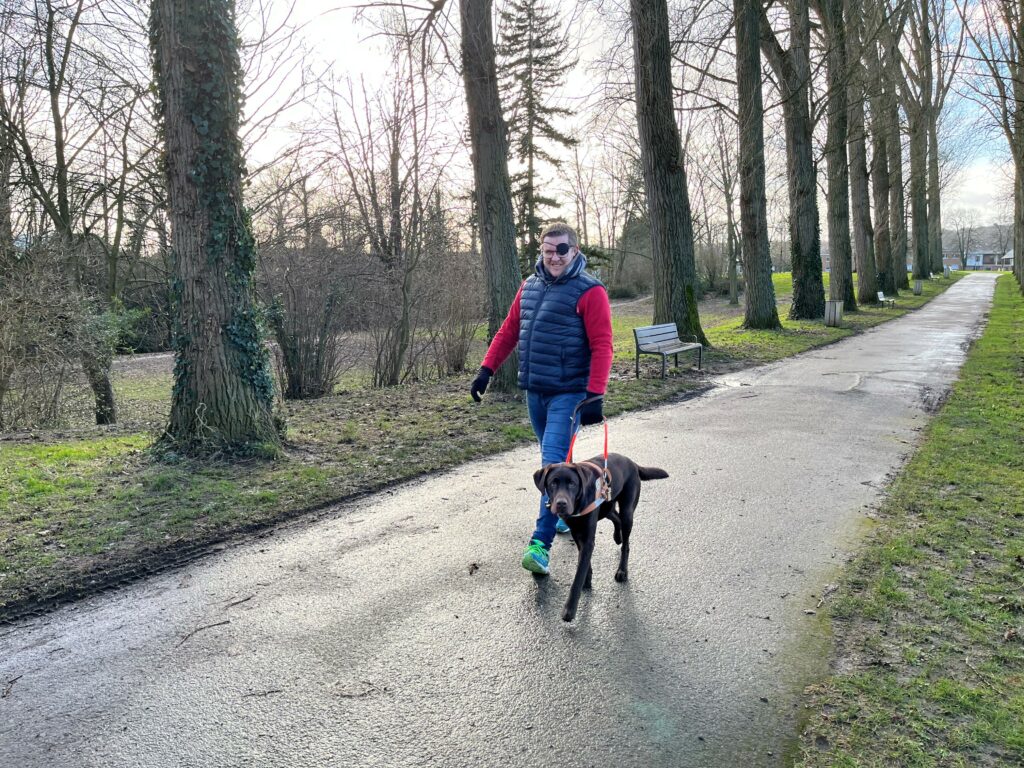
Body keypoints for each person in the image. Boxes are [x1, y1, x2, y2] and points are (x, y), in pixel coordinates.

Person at [470, 222, 613, 576]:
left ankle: (539, 546)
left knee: (551, 462)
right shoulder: (529, 286)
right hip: (536, 392)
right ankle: (565, 510)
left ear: (574, 251)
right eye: (547, 250)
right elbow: (508, 331)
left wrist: (595, 394)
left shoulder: (590, 292)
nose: (553, 257)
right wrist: (486, 370)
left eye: (561, 250)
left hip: (569, 393)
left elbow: (603, 345)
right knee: (555, 460)